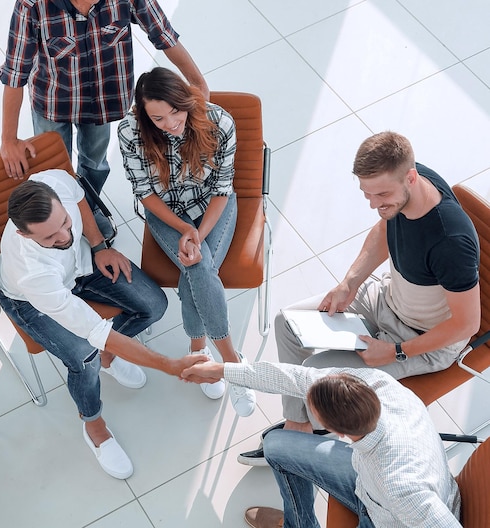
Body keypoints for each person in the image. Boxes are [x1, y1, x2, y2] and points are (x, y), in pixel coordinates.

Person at [239, 130, 480, 464]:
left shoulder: (450, 242)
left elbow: (467, 323)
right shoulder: (405, 185)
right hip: (385, 299)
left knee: (314, 376)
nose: (373, 203)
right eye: (367, 194)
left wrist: (396, 351)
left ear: (410, 177)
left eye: (381, 194)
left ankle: (299, 435)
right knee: (287, 324)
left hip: (420, 339)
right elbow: (385, 227)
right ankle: (300, 428)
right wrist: (350, 283)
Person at [0, 168, 204, 479]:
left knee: (154, 305)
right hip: (30, 301)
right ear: (24, 234)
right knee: (84, 357)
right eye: (50, 237)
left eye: (64, 224)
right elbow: (96, 331)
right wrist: (170, 365)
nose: (64, 237)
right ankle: (94, 425)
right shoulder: (32, 274)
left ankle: (110, 355)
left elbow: (79, 200)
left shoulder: (53, 182)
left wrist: (98, 245)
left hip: (81, 264)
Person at [0, 0, 210, 233]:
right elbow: (15, 74)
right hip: (53, 100)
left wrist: (198, 83)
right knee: (53, 169)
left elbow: (163, 35)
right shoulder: (32, 5)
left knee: (95, 163)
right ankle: (62, 219)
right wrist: (9, 139)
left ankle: (88, 208)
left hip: (102, 100)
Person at [117, 67, 257, 417]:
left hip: (214, 208)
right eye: (158, 117)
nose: (170, 122)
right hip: (166, 214)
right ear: (144, 115)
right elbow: (146, 194)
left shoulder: (219, 122)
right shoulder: (129, 132)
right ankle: (232, 363)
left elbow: (223, 189)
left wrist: (198, 235)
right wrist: (183, 228)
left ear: (187, 100)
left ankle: (199, 350)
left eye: (176, 111)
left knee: (197, 264)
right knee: (199, 266)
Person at [182, 360, 462, 527]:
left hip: (390, 517)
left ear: (333, 431)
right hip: (369, 484)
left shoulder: (400, 486)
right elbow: (295, 378)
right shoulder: (379, 384)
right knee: (277, 447)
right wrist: (221, 370)